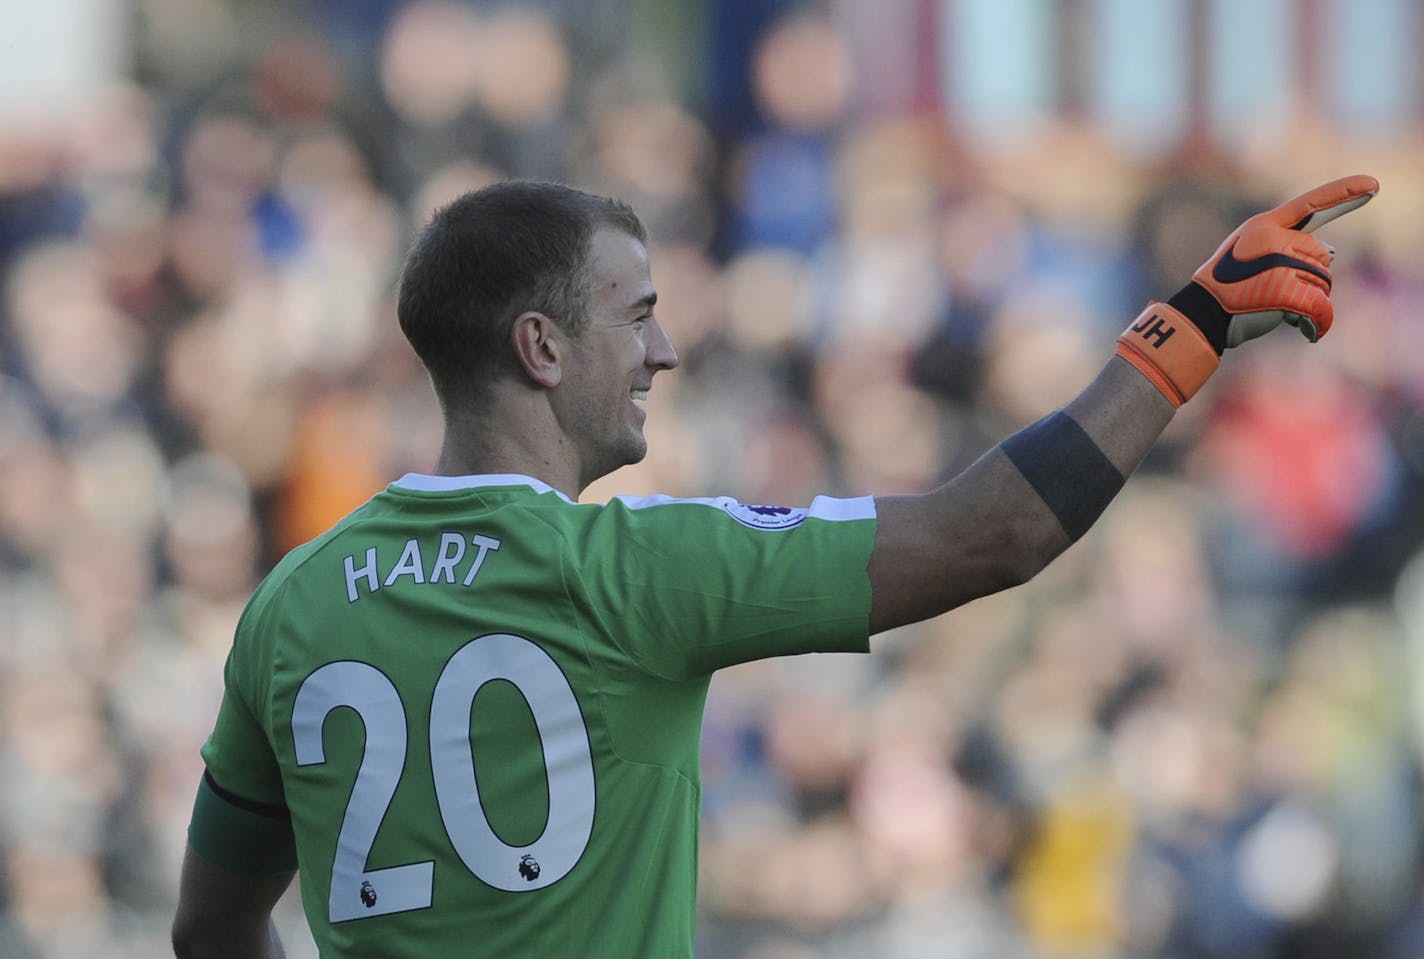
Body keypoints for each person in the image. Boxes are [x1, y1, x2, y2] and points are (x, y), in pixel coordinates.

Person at [171, 174, 1378, 958]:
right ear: (540, 346)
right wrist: (1194, 323)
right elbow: (991, 531)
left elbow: (212, 931)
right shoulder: (633, 568)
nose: (665, 349)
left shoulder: (292, 601)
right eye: (636, 314)